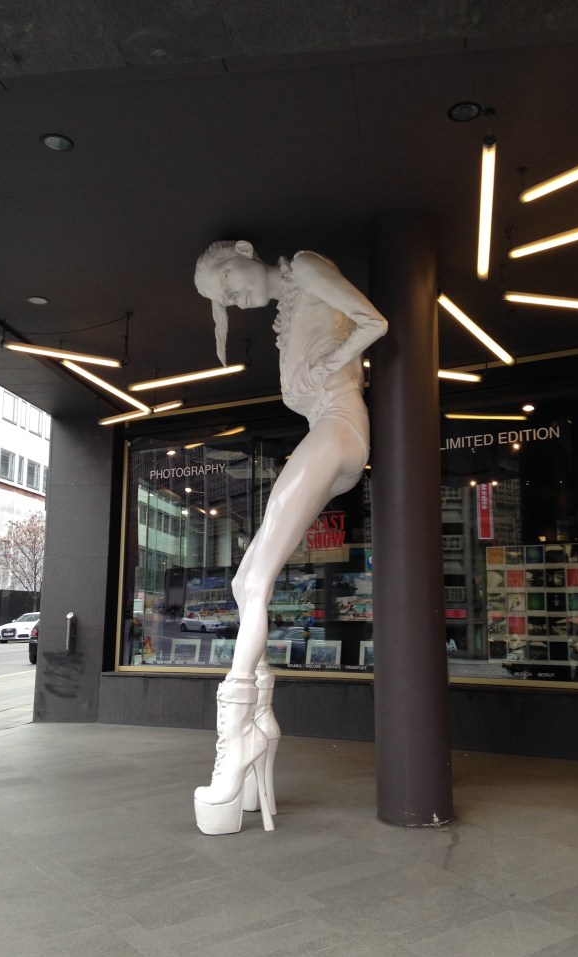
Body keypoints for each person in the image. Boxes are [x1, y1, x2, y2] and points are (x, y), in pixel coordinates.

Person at [192, 239, 388, 834]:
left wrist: (338, 361)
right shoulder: (287, 311)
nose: (234, 296)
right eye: (225, 299)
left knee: (254, 580)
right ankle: (260, 722)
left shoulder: (306, 265)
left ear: (246, 251)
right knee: (244, 581)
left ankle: (234, 742)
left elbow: (374, 321)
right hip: (328, 428)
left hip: (339, 425)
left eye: (229, 279)